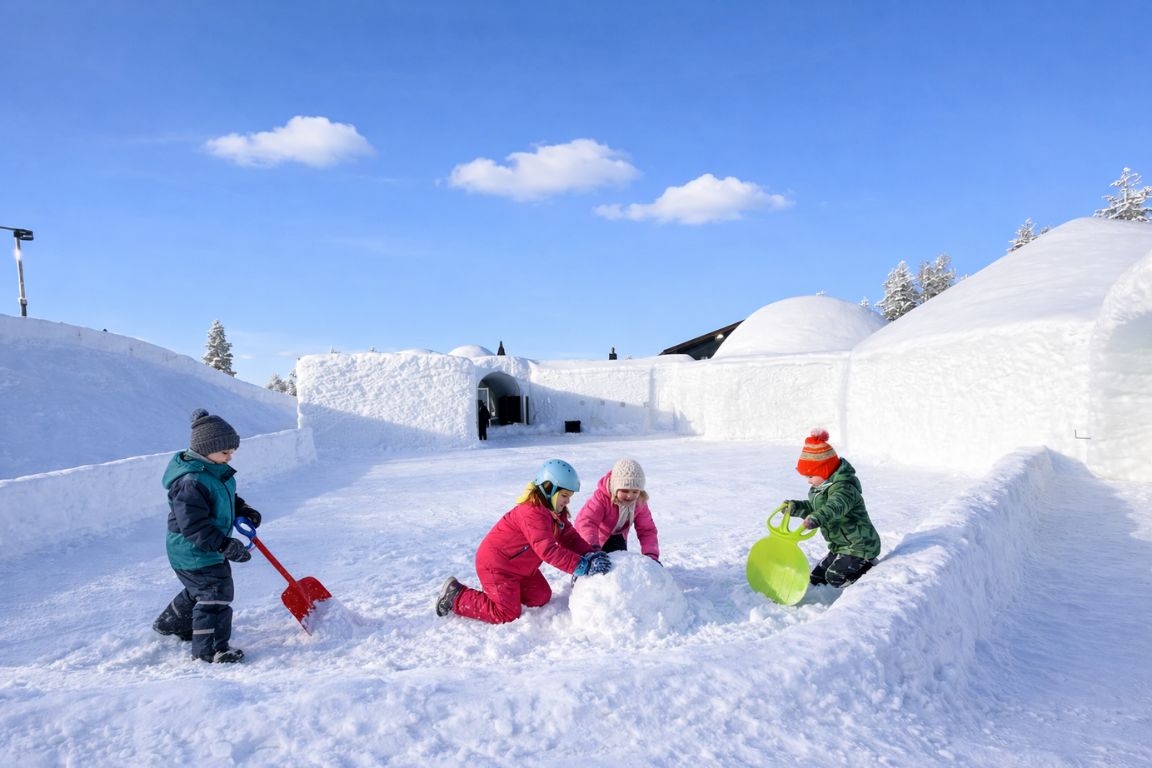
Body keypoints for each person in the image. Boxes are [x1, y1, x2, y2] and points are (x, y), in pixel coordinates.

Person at [436, 459, 612, 624]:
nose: (567, 501)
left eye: (569, 496)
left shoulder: (555, 513)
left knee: (540, 597)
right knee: (506, 613)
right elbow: (548, 551)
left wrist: (590, 553)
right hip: (497, 567)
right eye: (564, 495)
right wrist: (583, 565)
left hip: (522, 569)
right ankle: (456, 596)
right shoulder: (532, 513)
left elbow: (569, 537)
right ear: (548, 488)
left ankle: (506, 593)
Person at [152, 409, 263, 663]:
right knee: (216, 592)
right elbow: (193, 525)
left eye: (232, 451)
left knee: (200, 589)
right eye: (225, 451)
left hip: (203, 547)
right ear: (206, 449)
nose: (230, 456)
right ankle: (211, 649)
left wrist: (243, 510)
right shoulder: (190, 481)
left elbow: (225, 498)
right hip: (193, 549)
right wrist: (224, 544)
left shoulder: (212, 470)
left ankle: (171, 624)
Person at [782, 428, 881, 588]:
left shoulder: (844, 488)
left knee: (835, 577)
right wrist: (796, 507)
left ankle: (871, 571)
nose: (808, 481)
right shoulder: (820, 488)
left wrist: (817, 518)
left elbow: (834, 507)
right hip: (840, 546)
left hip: (859, 547)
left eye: (810, 476)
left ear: (825, 471)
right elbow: (814, 507)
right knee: (816, 579)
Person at [574, 458, 660, 562]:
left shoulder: (639, 502)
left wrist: (651, 556)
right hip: (592, 540)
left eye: (635, 492)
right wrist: (592, 550)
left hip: (617, 539)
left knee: (617, 565)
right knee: (590, 565)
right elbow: (586, 523)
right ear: (615, 487)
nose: (630, 496)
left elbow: (647, 530)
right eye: (625, 490)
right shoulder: (601, 498)